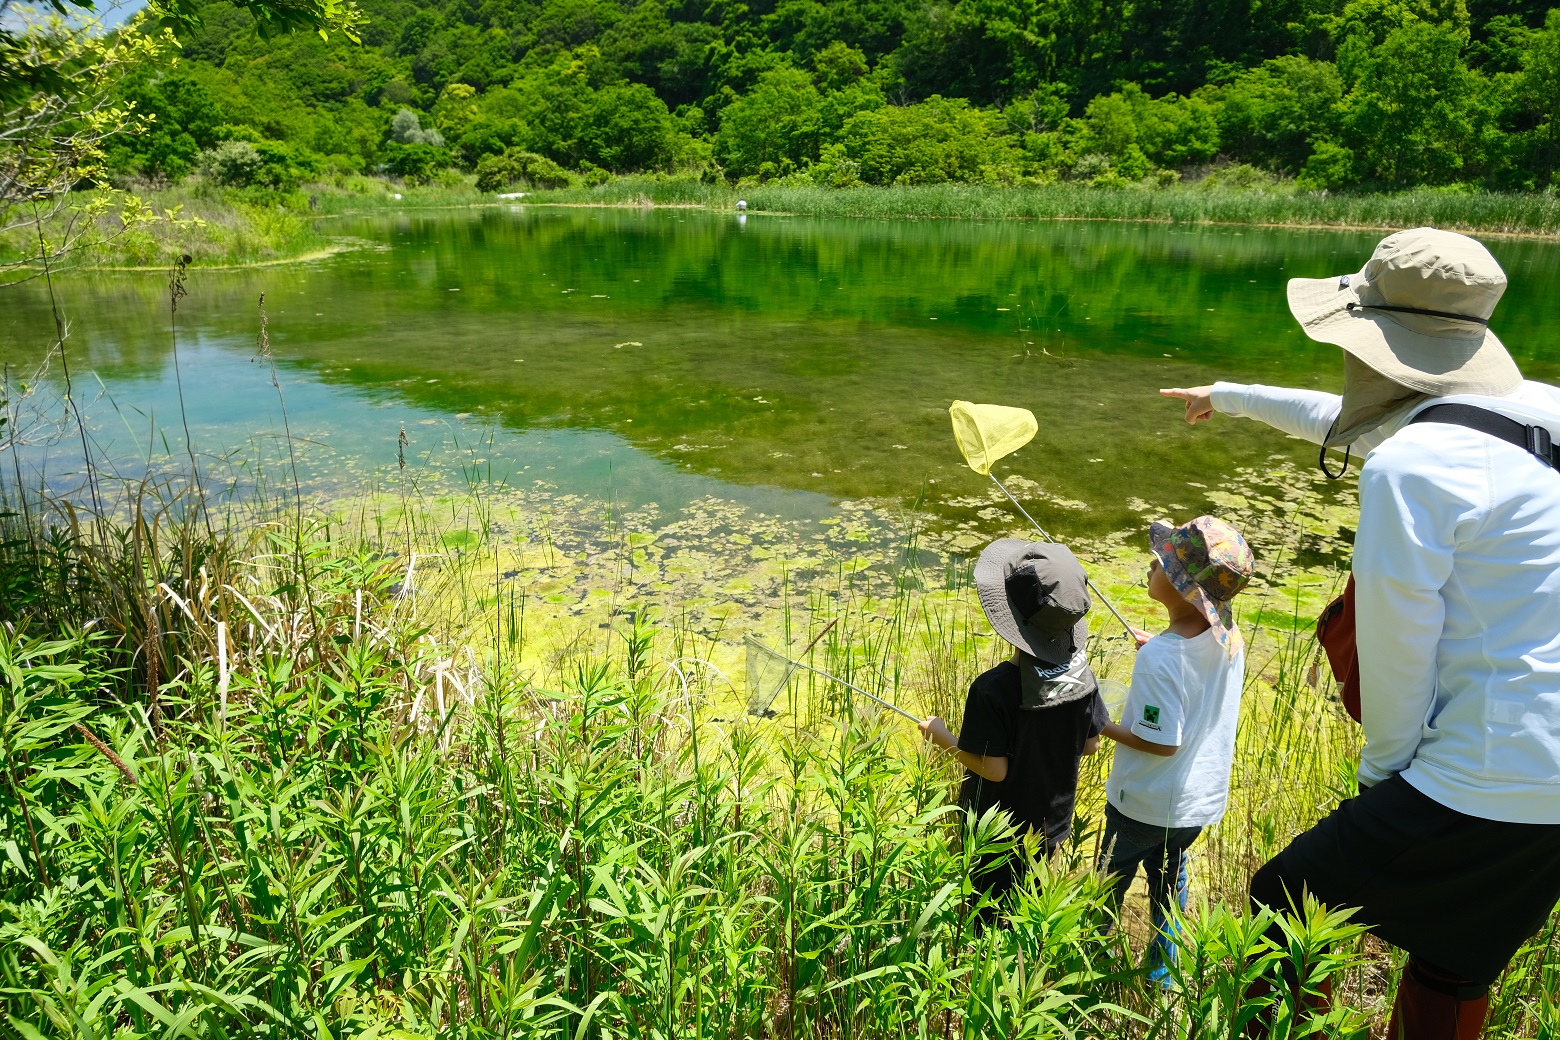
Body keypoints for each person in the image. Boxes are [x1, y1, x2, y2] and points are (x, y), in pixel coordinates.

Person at [1161, 227, 1560, 1040]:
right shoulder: (1539, 410)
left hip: (1484, 770)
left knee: (1286, 898)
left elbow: (1397, 646)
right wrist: (1230, 393)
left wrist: (1385, 780)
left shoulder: (1413, 468)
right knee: (1459, 951)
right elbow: (1348, 420)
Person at [1097, 516, 1254, 987]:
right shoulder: (1228, 639)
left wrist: (1101, 725)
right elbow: (1191, 682)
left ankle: (1088, 968)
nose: (1152, 563)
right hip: (1192, 807)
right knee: (1170, 881)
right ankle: (1163, 974)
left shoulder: (1162, 657)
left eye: (1163, 562)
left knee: (1104, 885)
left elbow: (1159, 741)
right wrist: (1159, 646)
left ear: (1185, 590)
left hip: (1142, 803)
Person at [919, 539, 1110, 903]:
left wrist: (940, 736)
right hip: (1049, 828)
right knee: (1029, 909)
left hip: (994, 835)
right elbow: (1091, 744)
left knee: (987, 919)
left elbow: (994, 771)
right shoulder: (1080, 674)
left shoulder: (993, 689)